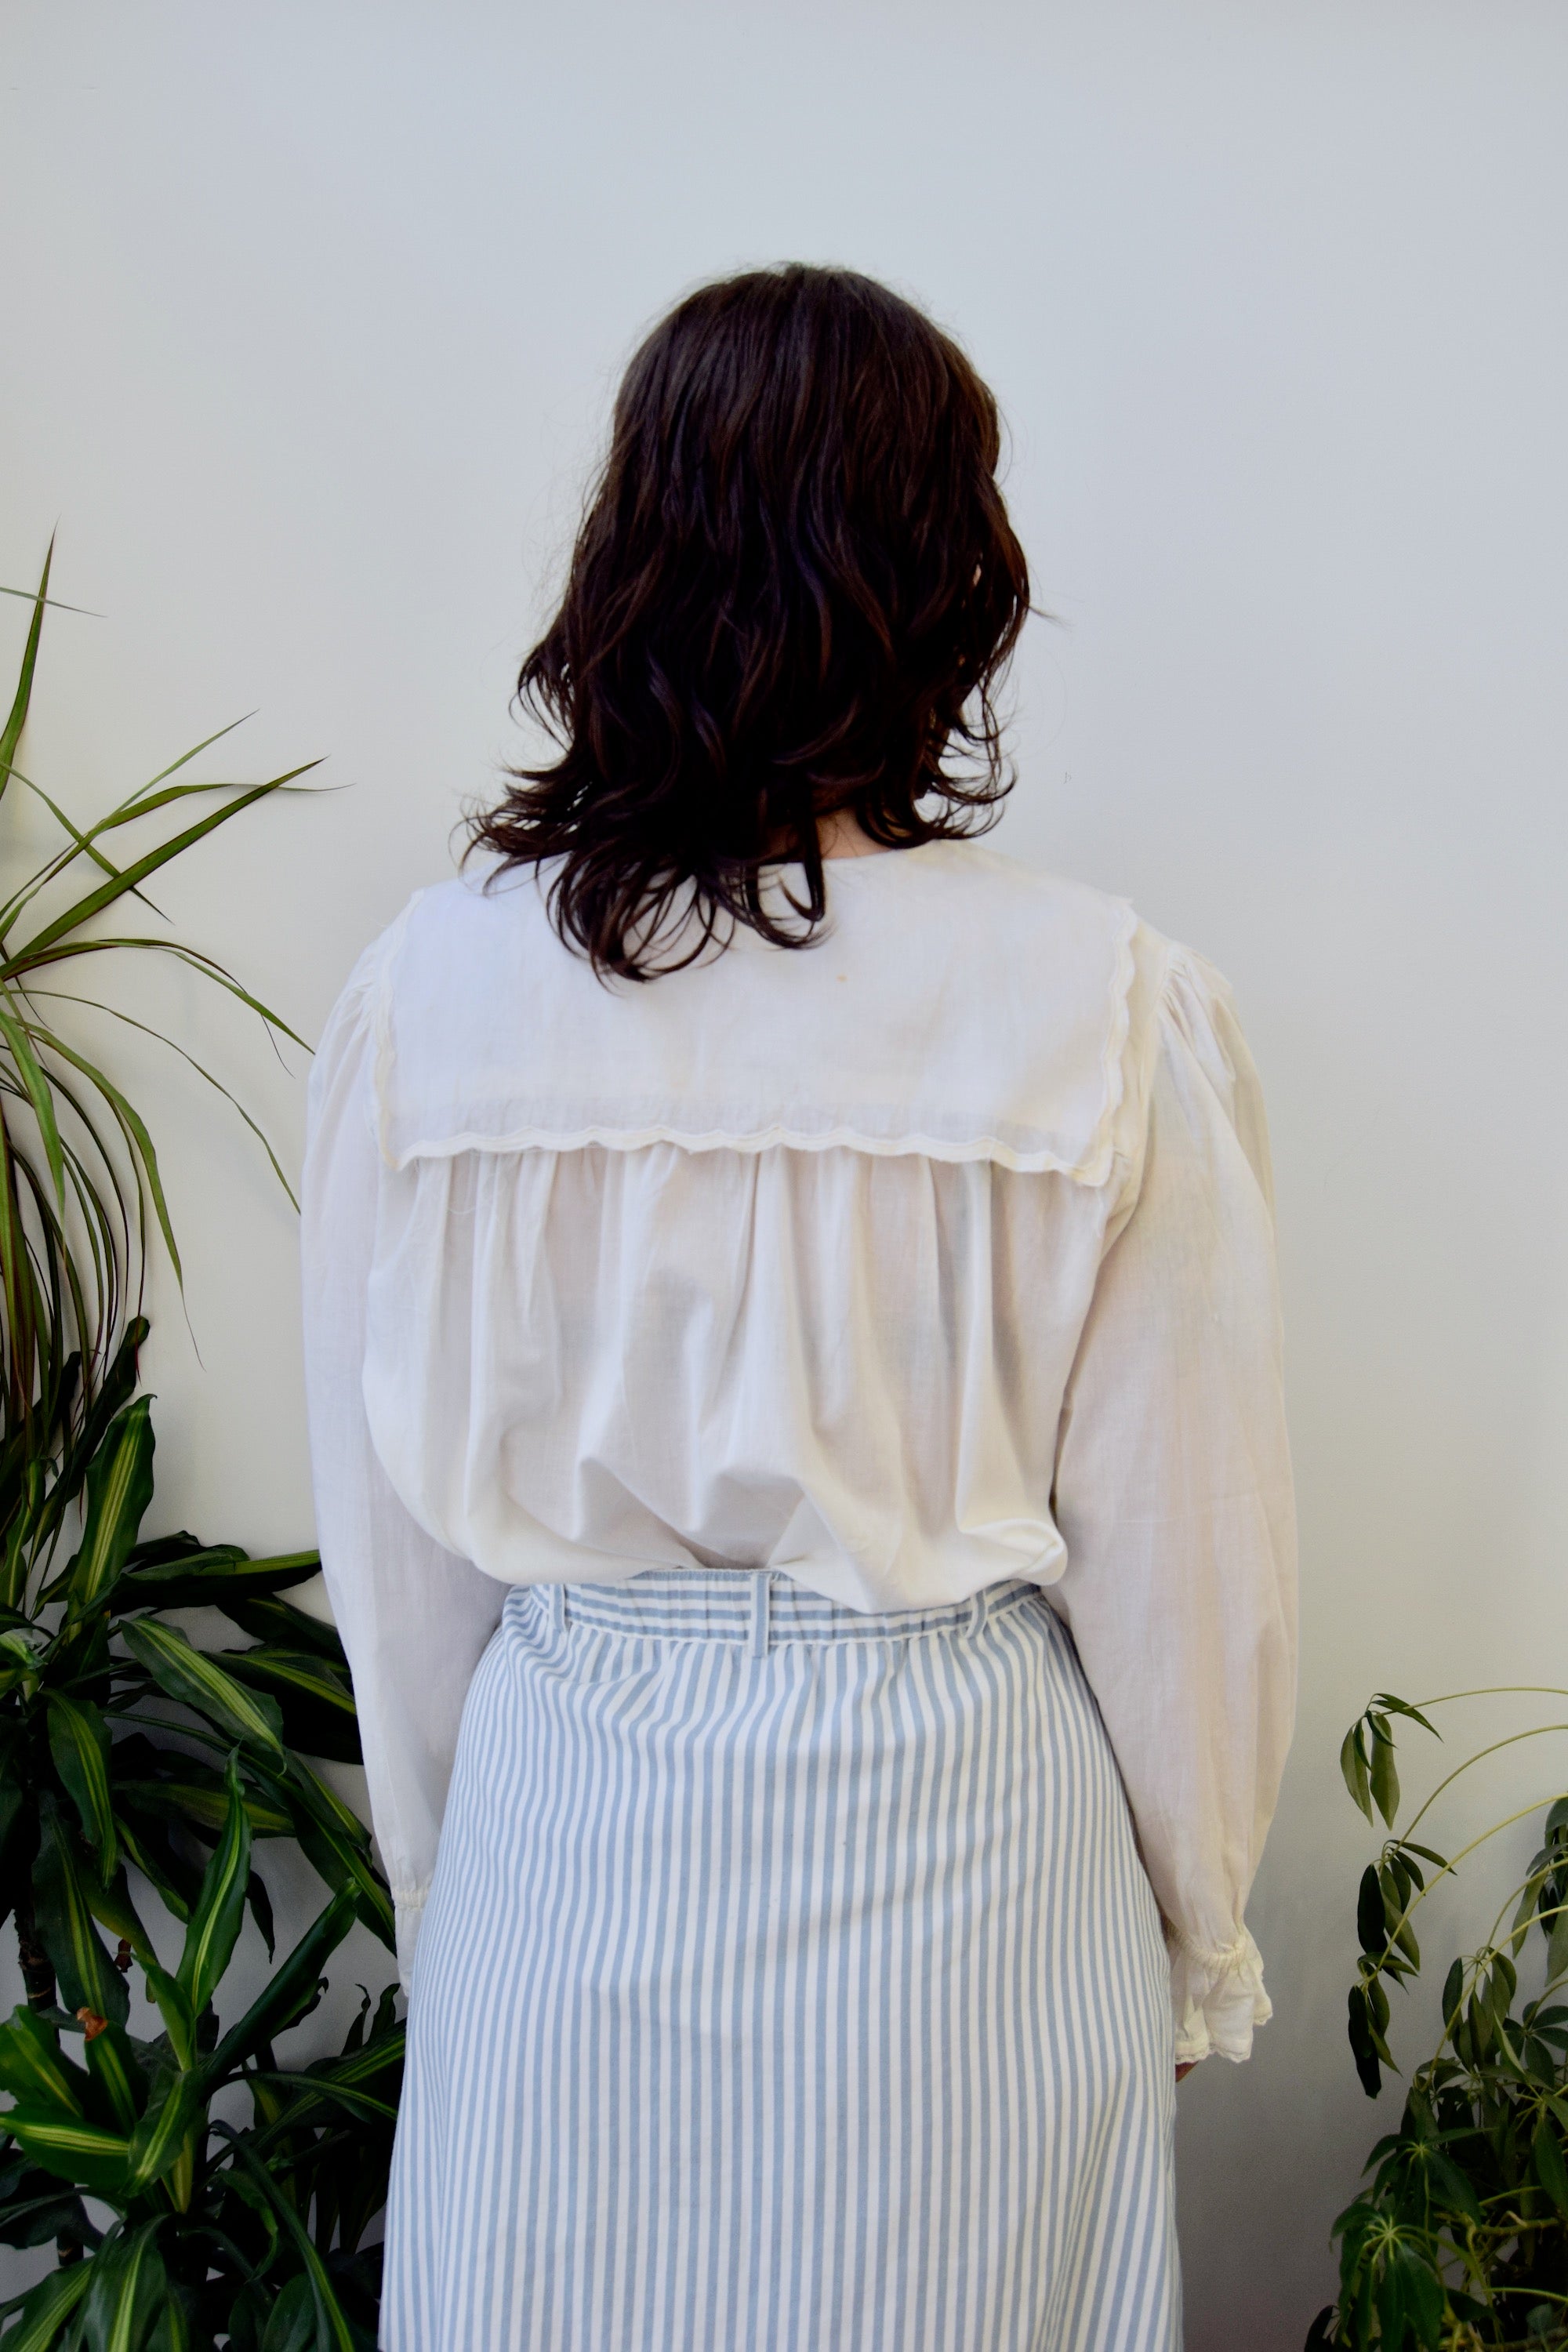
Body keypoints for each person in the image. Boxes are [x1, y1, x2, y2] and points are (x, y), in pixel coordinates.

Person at [300, 263, 1297, 2352]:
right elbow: (1183, 1554)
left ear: (629, 558)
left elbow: (394, 1566)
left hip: (573, 1840)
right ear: (953, 578)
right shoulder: (1103, 1007)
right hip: (973, 1861)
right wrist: (1198, 1933)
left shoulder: (430, 1002)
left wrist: (456, 1878)